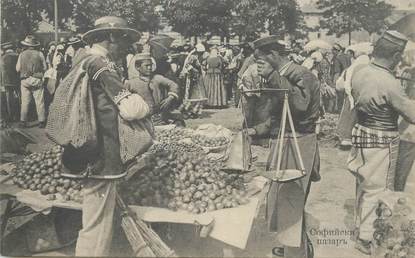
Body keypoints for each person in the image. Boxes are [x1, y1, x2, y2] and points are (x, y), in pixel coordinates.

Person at [47, 16, 149, 256]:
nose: (126, 45)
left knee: (94, 218)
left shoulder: (82, 60)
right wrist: (143, 104)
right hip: (100, 154)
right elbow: (131, 109)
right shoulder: (99, 65)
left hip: (85, 150)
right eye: (123, 38)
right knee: (97, 223)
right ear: (111, 37)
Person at [247, 35, 320, 258]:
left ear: (274, 55)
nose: (258, 65)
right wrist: (257, 130)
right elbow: (278, 114)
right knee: (283, 199)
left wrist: (272, 76)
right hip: (285, 139)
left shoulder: (300, 74)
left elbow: (298, 105)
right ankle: (295, 246)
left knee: (291, 199)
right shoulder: (282, 75)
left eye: (261, 60)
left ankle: (297, 253)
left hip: (298, 142)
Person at [346, 31, 415, 255]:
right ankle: (365, 238)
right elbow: (411, 114)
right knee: (378, 189)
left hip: (361, 132)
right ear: (395, 55)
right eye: (400, 56)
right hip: (381, 139)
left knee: (363, 183)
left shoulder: (360, 70)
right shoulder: (389, 81)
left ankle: (359, 227)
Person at [124, 53, 182, 126]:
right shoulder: (131, 83)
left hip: (159, 117)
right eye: (146, 66)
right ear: (137, 67)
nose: (149, 68)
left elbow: (174, 85)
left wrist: (170, 97)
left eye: (151, 65)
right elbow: (125, 100)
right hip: (141, 120)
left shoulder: (157, 78)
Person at [335, 45, 372, 149]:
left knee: (348, 116)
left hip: (351, 96)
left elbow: (339, 85)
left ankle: (346, 138)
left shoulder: (350, 69)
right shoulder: (370, 68)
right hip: (365, 97)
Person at [16, 35, 47, 128]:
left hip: (25, 80)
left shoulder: (22, 54)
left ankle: (23, 121)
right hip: (37, 79)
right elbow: (45, 68)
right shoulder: (40, 54)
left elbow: (17, 69)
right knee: (39, 101)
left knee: (25, 101)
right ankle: (41, 121)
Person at [1, 42, 20, 122]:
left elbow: (1, 71)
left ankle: (10, 116)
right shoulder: (18, 56)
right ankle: (18, 115)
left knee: (9, 98)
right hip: (17, 80)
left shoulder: (3, 58)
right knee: (18, 97)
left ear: (5, 49)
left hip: (7, 81)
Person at [331, 43, 351, 113]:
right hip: (348, 77)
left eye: (333, 50)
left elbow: (337, 72)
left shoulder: (337, 58)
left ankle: (339, 110)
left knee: (339, 96)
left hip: (341, 78)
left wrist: (334, 82)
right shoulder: (347, 56)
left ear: (336, 50)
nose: (332, 52)